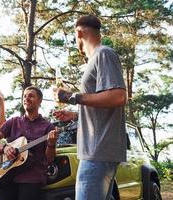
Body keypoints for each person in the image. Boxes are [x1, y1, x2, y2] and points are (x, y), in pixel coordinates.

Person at [53, 15, 127, 200]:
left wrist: (72, 97)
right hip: (96, 151)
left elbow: (118, 96)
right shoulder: (96, 59)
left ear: (78, 32)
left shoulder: (104, 54)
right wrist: (75, 115)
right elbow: (102, 105)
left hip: (98, 151)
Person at [0, 86, 58, 200]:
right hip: (8, 176)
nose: (26, 98)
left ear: (39, 100)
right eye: (24, 96)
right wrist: (4, 148)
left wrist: (51, 144)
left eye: (31, 95)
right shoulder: (13, 122)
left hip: (32, 178)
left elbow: (49, 159)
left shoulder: (48, 127)